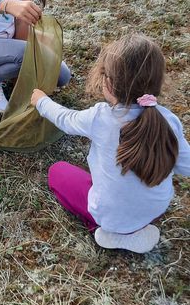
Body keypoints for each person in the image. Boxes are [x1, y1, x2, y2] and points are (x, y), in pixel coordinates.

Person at [31, 33, 190, 253]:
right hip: (155, 210)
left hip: (109, 215)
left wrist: (41, 101)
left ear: (108, 83)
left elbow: (65, 119)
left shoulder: (100, 118)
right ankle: (132, 228)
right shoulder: (168, 120)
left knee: (57, 171)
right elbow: (186, 165)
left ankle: (108, 232)